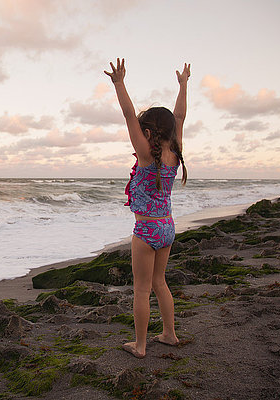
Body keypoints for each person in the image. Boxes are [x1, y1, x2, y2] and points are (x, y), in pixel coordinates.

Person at [104, 58, 190, 358]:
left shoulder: (145, 154)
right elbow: (179, 115)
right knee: (159, 282)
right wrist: (183, 85)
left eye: (143, 129)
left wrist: (119, 83)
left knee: (141, 289)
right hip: (167, 226)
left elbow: (128, 114)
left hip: (146, 229)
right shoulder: (174, 154)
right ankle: (169, 334)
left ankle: (140, 346)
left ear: (149, 134)